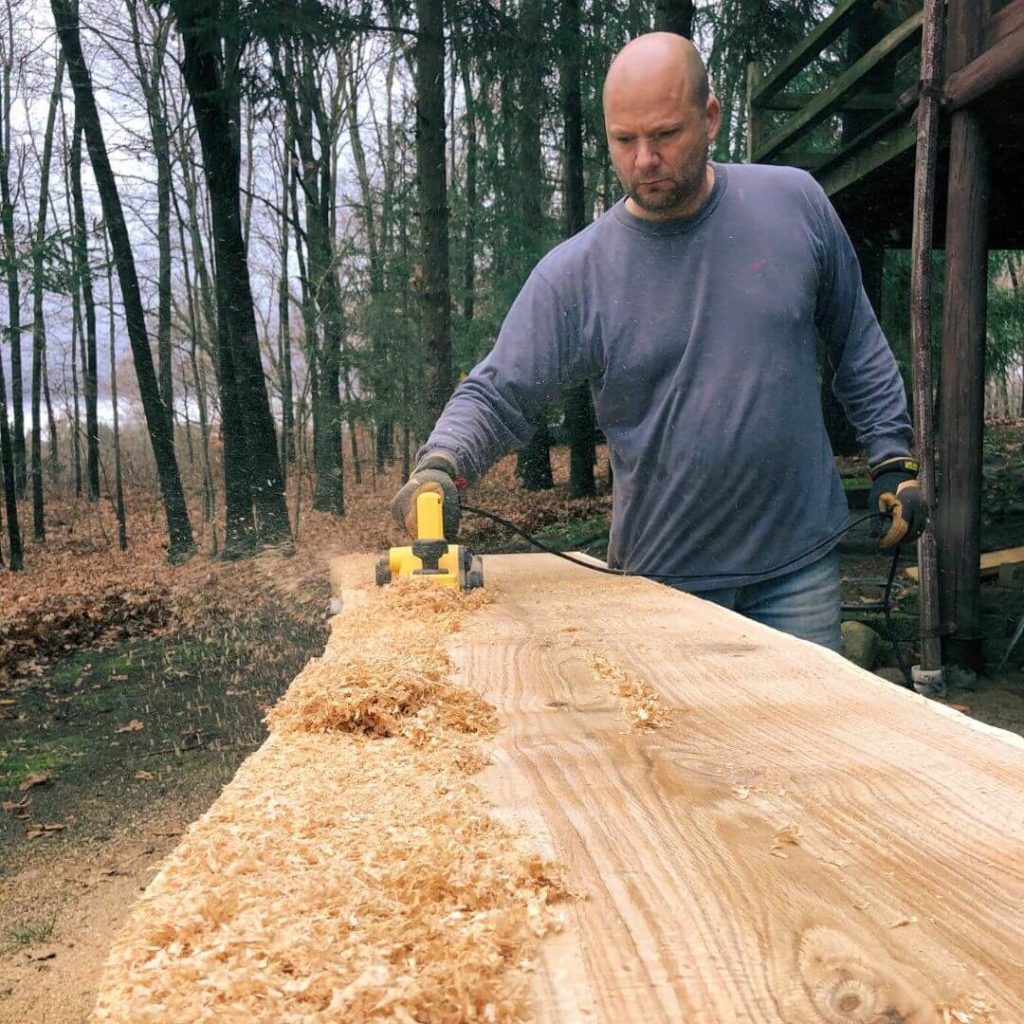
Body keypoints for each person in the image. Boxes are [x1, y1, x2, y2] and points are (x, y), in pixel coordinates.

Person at [392, 32, 927, 652]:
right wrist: (441, 464)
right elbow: (498, 393)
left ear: (710, 117)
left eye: (666, 135)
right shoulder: (578, 274)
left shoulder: (795, 205)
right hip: (662, 582)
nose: (644, 159)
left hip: (799, 568)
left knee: (806, 749)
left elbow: (857, 341)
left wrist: (893, 455)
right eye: (624, 140)